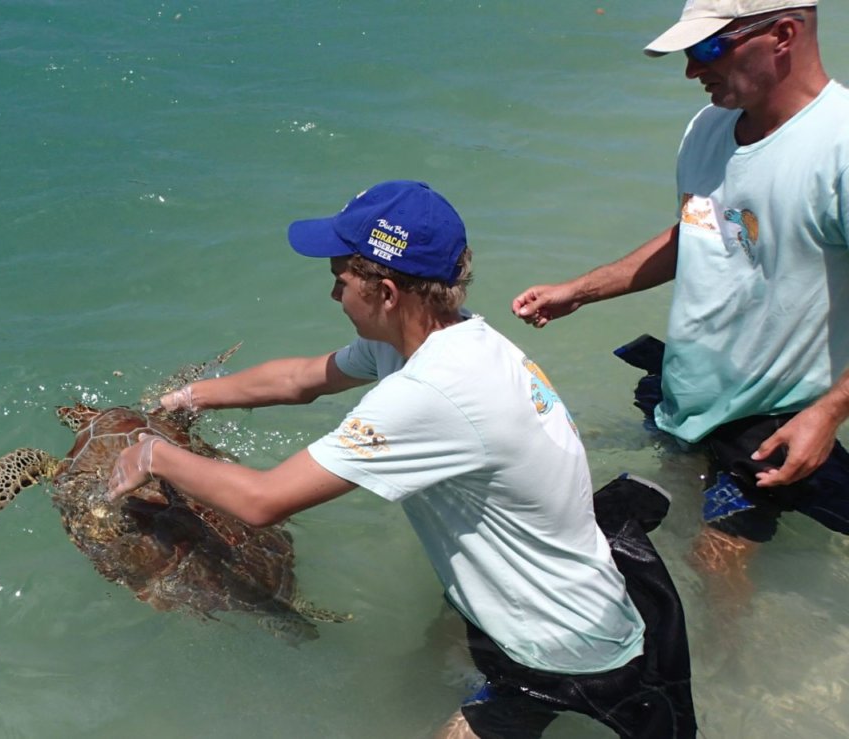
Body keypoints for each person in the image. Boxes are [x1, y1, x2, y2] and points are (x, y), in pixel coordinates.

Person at [108, 180, 696, 737]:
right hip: (559, 595)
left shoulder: (430, 393)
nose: (333, 292)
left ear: (385, 293)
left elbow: (263, 501)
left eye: (340, 278)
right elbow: (301, 379)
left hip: (560, 647)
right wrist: (182, 399)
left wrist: (154, 453)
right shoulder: (443, 341)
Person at [511, 1, 849, 592]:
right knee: (656, 510)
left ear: (783, 35)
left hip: (771, 417)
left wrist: (827, 413)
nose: (692, 70)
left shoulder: (839, 147)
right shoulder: (708, 126)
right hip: (686, 393)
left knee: (712, 564)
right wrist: (583, 291)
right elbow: (697, 229)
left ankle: (738, 681)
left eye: (708, 49)